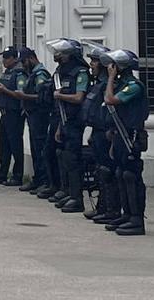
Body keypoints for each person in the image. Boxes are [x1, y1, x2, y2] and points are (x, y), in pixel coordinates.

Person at [101, 49, 149, 236]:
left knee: (131, 175)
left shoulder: (133, 86)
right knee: (120, 173)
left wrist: (111, 78)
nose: (110, 68)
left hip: (132, 136)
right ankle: (126, 214)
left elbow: (110, 100)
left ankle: (137, 219)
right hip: (120, 135)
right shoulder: (123, 84)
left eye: (113, 65)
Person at [47, 38, 90, 213]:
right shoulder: (61, 73)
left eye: (61, 53)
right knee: (62, 155)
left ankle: (77, 197)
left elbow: (79, 98)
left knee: (73, 159)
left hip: (74, 122)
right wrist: (59, 127)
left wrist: (61, 96)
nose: (57, 56)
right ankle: (67, 191)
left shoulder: (80, 73)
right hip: (64, 122)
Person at [79, 44, 116, 222]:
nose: (91, 64)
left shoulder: (109, 85)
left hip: (107, 133)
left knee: (107, 171)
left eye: (94, 61)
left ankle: (110, 210)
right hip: (97, 132)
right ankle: (103, 207)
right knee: (100, 171)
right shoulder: (97, 85)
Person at [12, 47, 55, 196]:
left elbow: (41, 97)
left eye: (23, 61)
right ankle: (38, 179)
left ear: (31, 58)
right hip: (33, 116)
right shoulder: (33, 73)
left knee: (41, 148)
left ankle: (44, 180)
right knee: (36, 149)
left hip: (40, 117)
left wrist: (23, 96)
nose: (23, 65)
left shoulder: (40, 74)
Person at [0, 45, 26, 186]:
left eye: (7, 58)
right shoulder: (7, 72)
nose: (4, 60)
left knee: (15, 145)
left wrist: (5, 90)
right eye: (3, 57)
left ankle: (17, 175)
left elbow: (20, 94)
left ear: (15, 58)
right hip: (5, 113)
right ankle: (2, 173)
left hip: (14, 114)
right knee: (4, 145)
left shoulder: (19, 74)